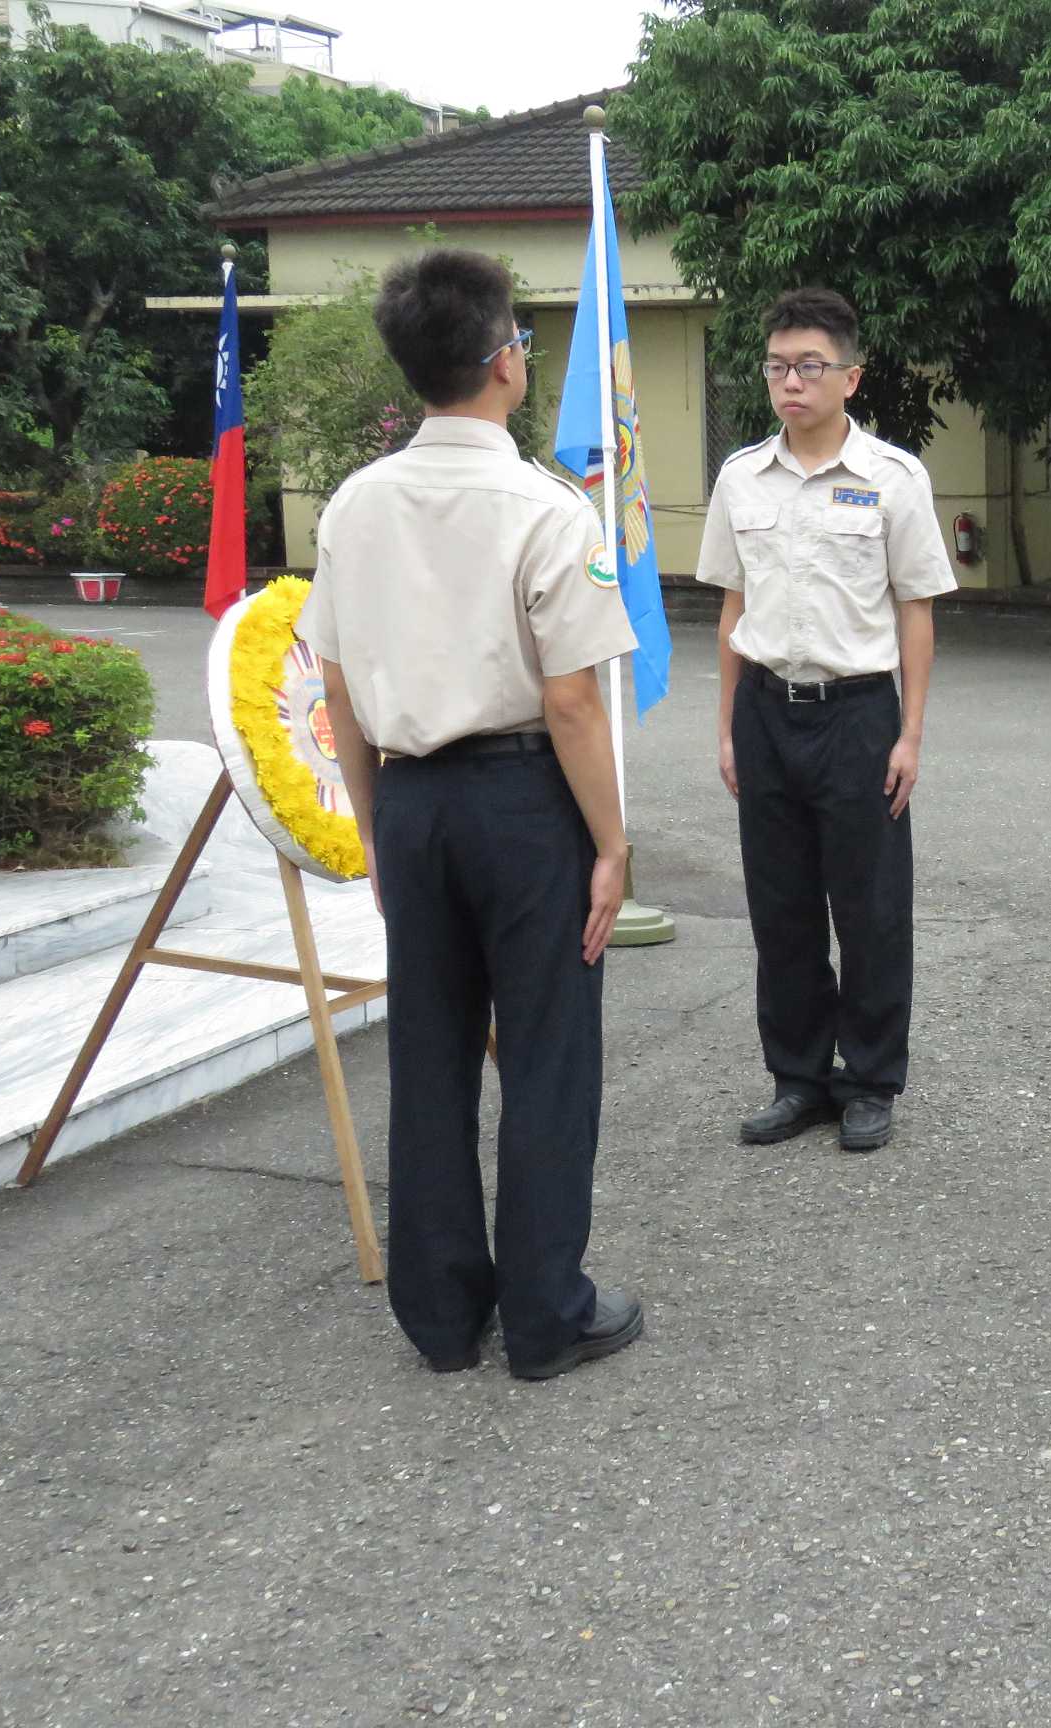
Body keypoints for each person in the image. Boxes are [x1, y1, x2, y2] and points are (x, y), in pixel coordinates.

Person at [300, 248, 644, 1381]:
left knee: (430, 1055)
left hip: (411, 799)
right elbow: (572, 701)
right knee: (547, 1057)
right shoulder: (546, 506)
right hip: (523, 803)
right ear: (505, 363)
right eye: (524, 346)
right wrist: (610, 844)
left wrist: (377, 823)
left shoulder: (355, 503)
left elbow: (337, 689)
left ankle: (443, 1318)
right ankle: (547, 1314)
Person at [699, 287, 958, 1154]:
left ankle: (872, 1080)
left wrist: (909, 734)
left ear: (851, 375)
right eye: (778, 366)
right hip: (768, 711)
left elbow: (915, 610)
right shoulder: (740, 476)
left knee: (871, 906)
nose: (791, 383)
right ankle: (799, 1078)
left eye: (811, 366)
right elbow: (733, 608)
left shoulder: (895, 479)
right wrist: (728, 725)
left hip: (858, 716)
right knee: (781, 908)